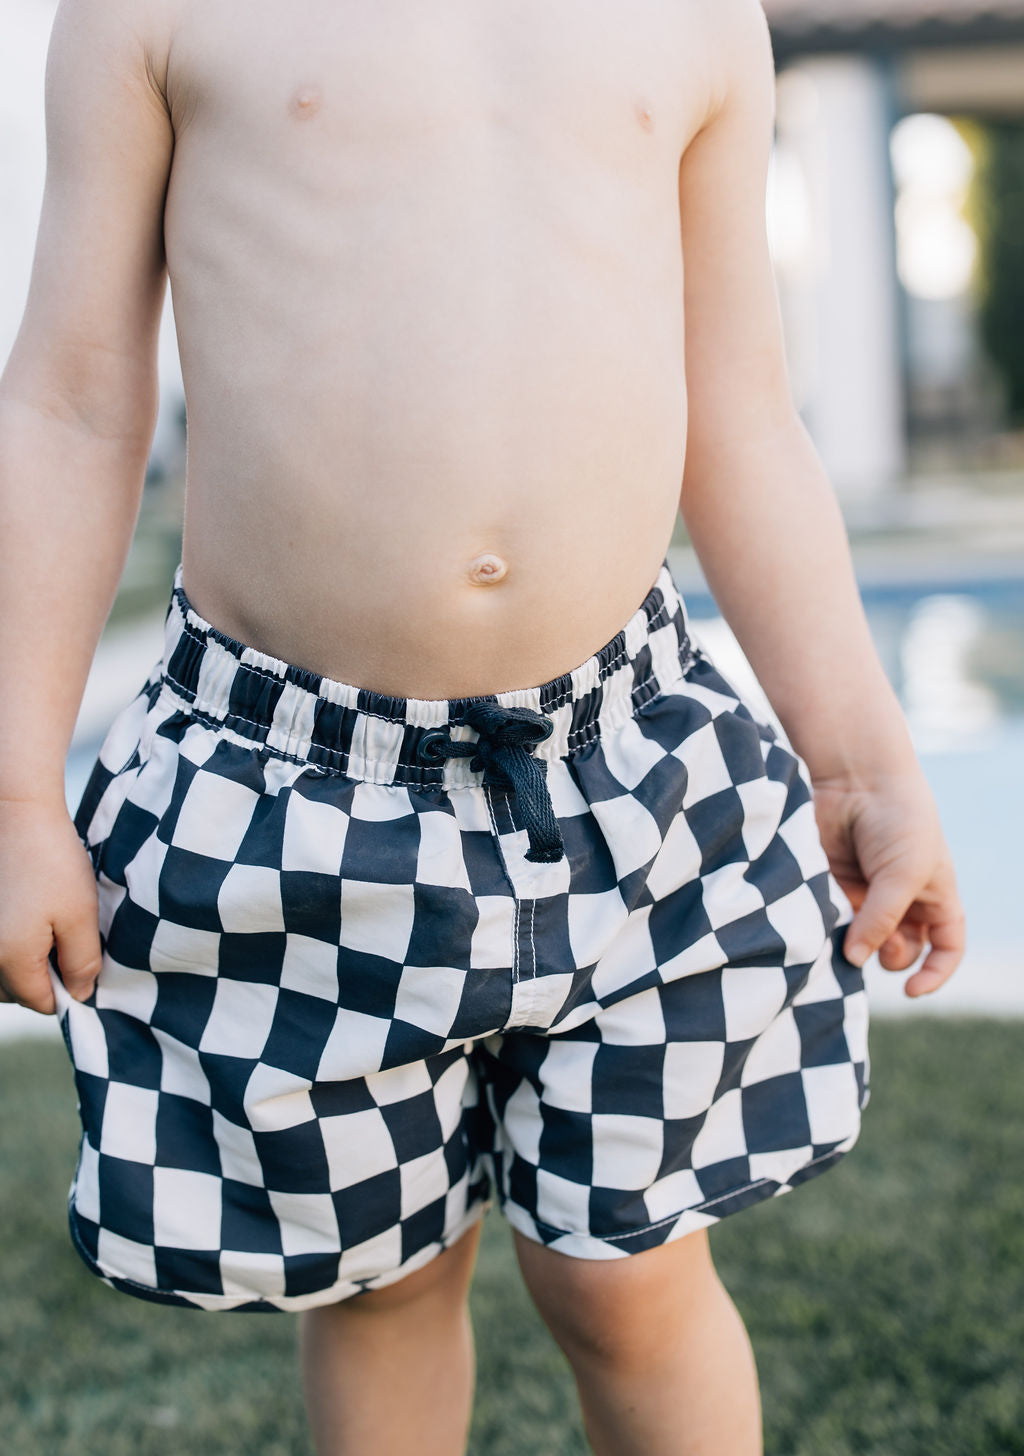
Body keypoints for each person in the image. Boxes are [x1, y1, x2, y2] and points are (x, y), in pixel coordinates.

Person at [0, 0, 965, 1451]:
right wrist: (18, 792)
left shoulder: (693, 19)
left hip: (627, 769)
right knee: (382, 1288)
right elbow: (73, 402)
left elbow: (744, 413)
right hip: (289, 787)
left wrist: (863, 761)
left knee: (626, 1277)